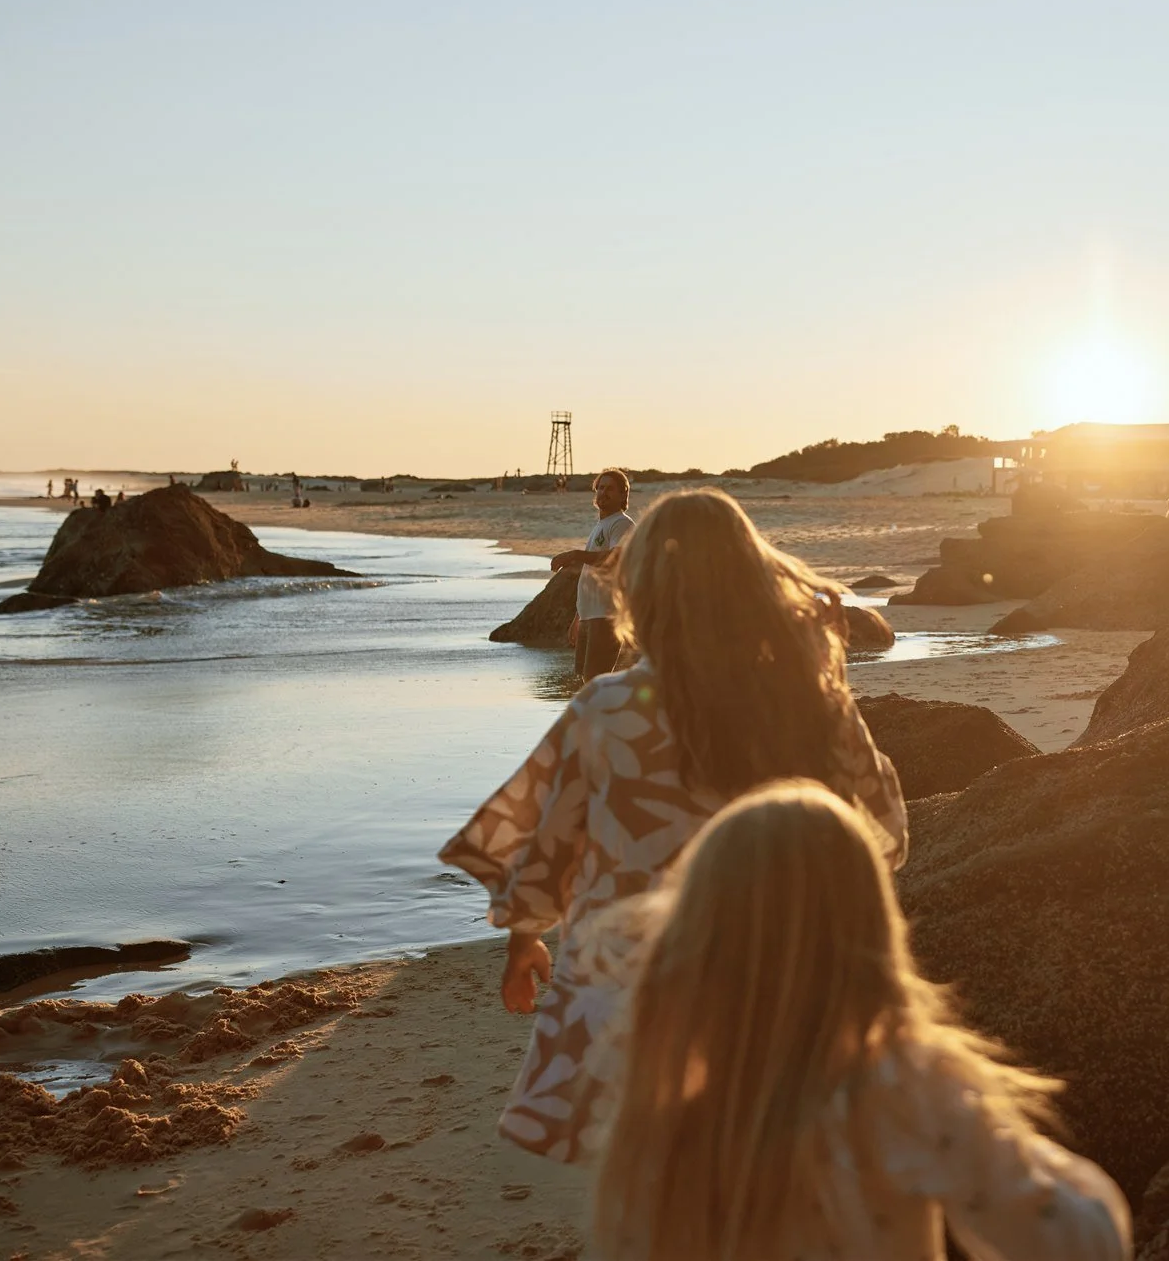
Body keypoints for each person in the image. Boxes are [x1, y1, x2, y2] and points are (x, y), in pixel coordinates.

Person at [439, 488, 906, 1163]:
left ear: (641, 597)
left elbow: (550, 839)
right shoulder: (809, 700)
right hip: (776, 972)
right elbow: (885, 832)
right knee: (763, 1161)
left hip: (638, 991)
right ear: (756, 582)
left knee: (656, 1171)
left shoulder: (607, 707)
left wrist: (523, 939)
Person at [593, 782, 1132, 1261]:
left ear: (696, 937)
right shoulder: (902, 1090)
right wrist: (1063, 1174)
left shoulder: (662, 1115)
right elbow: (1075, 1244)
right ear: (870, 930)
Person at [553, 469, 635, 683]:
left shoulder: (622, 523)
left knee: (596, 682)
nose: (603, 492)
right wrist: (578, 616)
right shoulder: (601, 525)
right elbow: (591, 576)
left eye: (610, 489)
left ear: (623, 494)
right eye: (600, 487)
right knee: (586, 682)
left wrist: (575, 555)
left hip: (607, 615)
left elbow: (615, 558)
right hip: (589, 615)